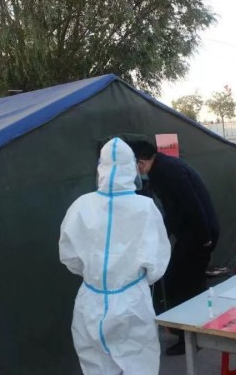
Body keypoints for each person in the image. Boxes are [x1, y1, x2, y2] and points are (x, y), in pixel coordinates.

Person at [59, 137, 171, 375]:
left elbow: (69, 256)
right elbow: (158, 260)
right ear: (131, 168)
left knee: (96, 364)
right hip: (132, 301)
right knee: (140, 364)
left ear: (101, 168)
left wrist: (95, 276)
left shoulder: (81, 206)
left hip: (91, 302)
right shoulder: (145, 208)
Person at [128, 139, 220, 356]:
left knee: (182, 285)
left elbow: (192, 204)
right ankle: (193, 334)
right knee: (187, 283)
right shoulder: (165, 166)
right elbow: (174, 211)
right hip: (195, 232)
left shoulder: (166, 172)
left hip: (198, 234)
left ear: (140, 163)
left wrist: (205, 238)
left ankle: (189, 337)